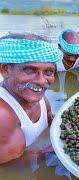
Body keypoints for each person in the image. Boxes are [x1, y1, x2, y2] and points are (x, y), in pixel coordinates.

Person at [0, 32, 63, 164]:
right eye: (30, 70)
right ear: (5, 70)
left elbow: (50, 119)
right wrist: (55, 150)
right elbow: (8, 168)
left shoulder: (40, 99)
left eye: (49, 72)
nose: (41, 81)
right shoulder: (3, 117)